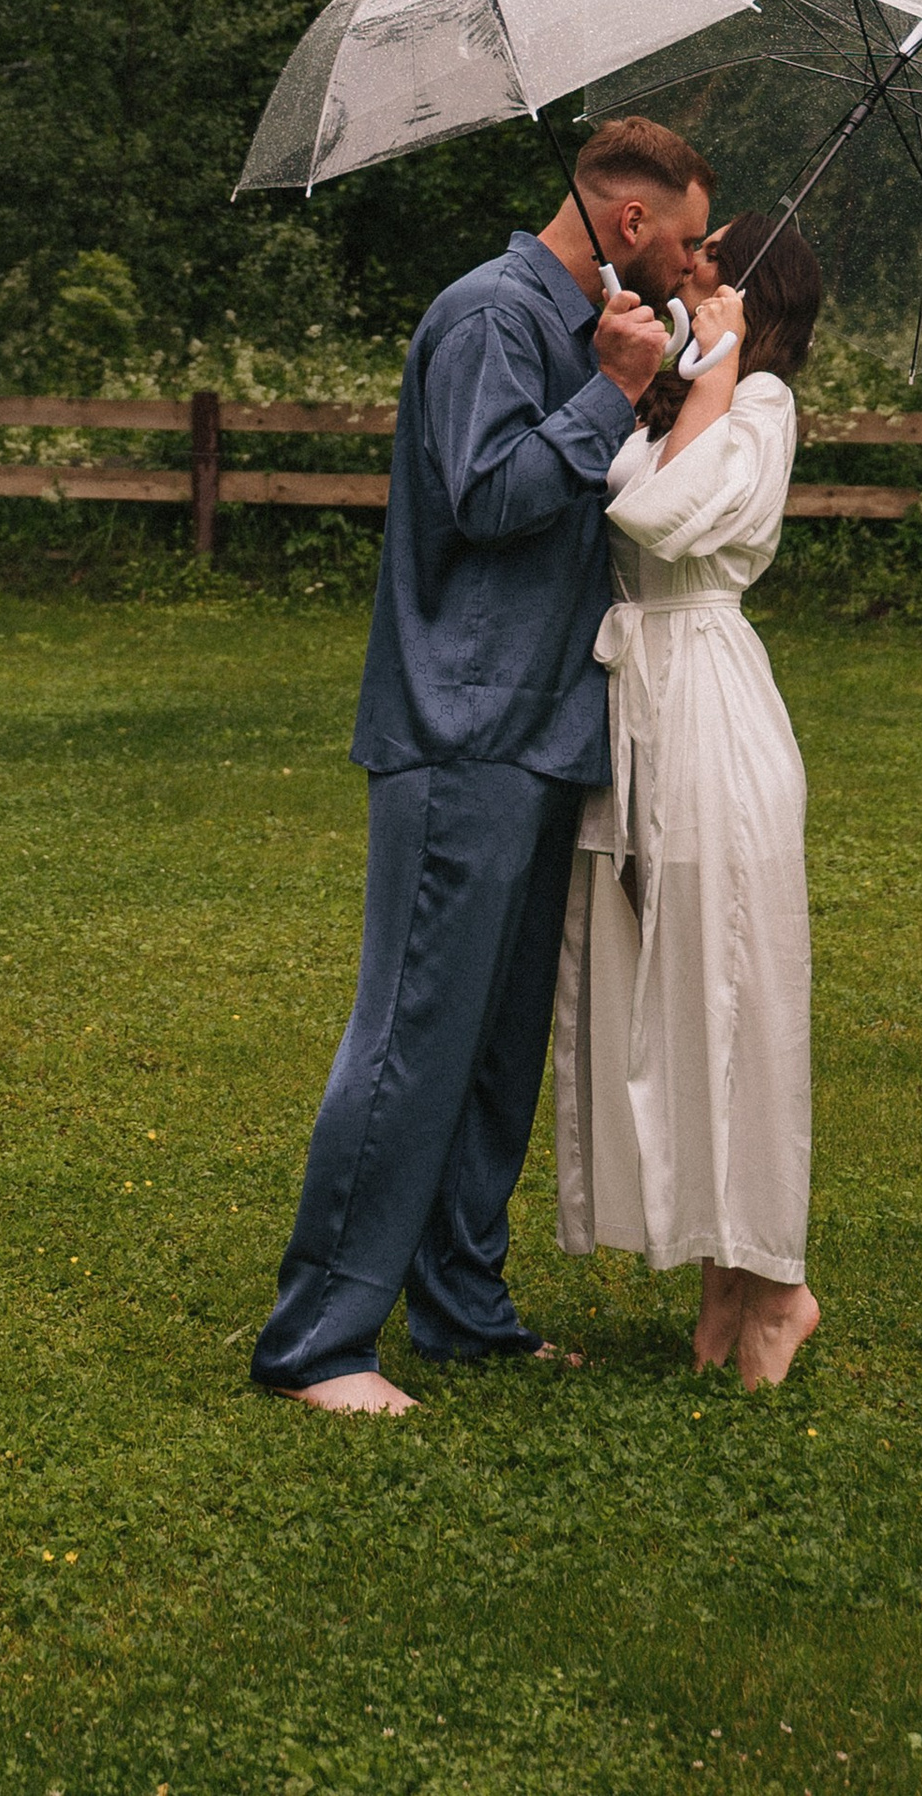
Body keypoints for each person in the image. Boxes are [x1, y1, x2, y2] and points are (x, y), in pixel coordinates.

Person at [249, 116, 716, 1417]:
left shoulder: (592, 333)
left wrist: (638, 388)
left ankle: (461, 1312)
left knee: (496, 1048)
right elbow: (488, 499)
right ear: (630, 224)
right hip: (461, 727)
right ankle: (319, 1343)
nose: (693, 264)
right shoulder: (488, 317)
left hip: (550, 728)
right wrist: (611, 393)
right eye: (683, 241)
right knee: (410, 1034)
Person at [551, 208, 824, 1391]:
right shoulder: (688, 393)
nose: (681, 261)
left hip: (710, 704)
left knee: (731, 980)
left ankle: (778, 1282)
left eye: (706, 253)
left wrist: (712, 373)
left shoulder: (758, 409)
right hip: (639, 704)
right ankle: (717, 1271)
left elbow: (653, 515)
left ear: (746, 292)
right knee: (663, 981)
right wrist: (670, 374)